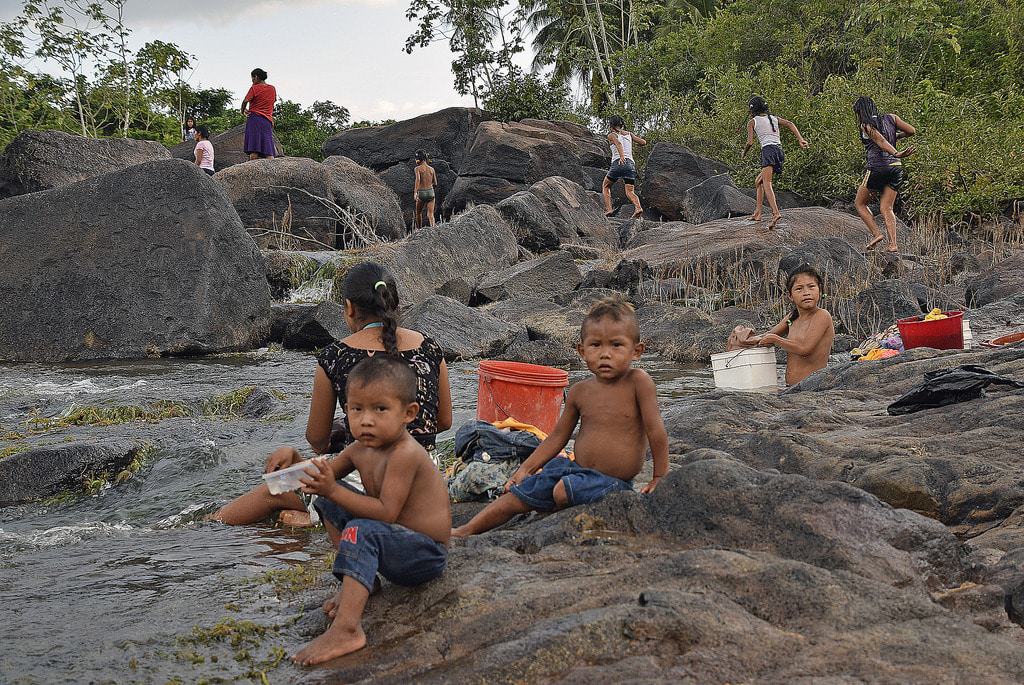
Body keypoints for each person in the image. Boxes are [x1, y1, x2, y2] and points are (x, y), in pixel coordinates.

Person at [211, 262, 453, 526]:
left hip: (368, 475)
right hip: (427, 471)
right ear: (392, 302)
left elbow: (317, 439)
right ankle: (313, 513)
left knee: (275, 488)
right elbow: (443, 422)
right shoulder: (430, 347)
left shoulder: (335, 356)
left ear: (349, 308)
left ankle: (207, 527)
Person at [452, 296, 669, 538]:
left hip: (612, 483)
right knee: (516, 495)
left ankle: (554, 506)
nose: (605, 354)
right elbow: (556, 438)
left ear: (636, 351)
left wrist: (659, 476)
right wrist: (525, 470)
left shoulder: (638, 382)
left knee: (561, 491)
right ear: (581, 350)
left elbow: (656, 431)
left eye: (616, 345)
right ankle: (467, 529)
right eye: (596, 345)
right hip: (573, 469)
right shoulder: (580, 391)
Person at [291, 355, 451, 665]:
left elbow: (386, 513)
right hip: (392, 542)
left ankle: (348, 629)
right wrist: (292, 465)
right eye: (356, 409)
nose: (366, 420)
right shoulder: (358, 449)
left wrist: (332, 487)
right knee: (328, 502)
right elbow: (320, 476)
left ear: (409, 413)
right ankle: (364, 581)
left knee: (360, 529)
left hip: (424, 554)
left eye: (380, 409)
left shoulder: (404, 453)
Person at [852, 96, 916, 253]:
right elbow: (911, 131)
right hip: (896, 168)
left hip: (877, 167)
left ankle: (877, 234)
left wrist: (896, 152)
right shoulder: (892, 118)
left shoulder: (866, 125)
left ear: (861, 111)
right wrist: (895, 138)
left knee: (860, 204)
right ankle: (893, 244)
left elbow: (880, 141)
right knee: (887, 207)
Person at [755, 265, 835, 385]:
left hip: (812, 388)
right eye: (799, 289)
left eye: (811, 287)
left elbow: (804, 349)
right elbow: (768, 336)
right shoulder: (792, 318)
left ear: (820, 290)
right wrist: (748, 339)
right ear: (790, 296)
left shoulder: (822, 316)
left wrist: (775, 339)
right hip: (790, 388)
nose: (806, 293)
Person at [741, 96, 809, 229]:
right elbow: (790, 123)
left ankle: (775, 213)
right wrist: (800, 139)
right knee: (758, 181)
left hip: (768, 151)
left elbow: (750, 142)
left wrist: (744, 153)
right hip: (778, 151)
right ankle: (758, 213)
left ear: (752, 110)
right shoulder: (773, 118)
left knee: (767, 183)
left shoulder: (752, 122)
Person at [602, 116, 647, 219]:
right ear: (621, 125)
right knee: (630, 192)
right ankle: (638, 207)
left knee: (606, 186)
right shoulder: (629, 134)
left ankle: (609, 209)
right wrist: (635, 142)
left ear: (611, 126)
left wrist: (622, 156)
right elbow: (643, 142)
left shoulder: (611, 135)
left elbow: (618, 143)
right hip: (630, 164)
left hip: (618, 163)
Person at [241, 67, 277, 161]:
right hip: (267, 121)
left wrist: (243, 110)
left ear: (256, 77)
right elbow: (272, 102)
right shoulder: (272, 89)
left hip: (255, 119)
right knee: (268, 151)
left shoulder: (254, 88)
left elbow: (245, 101)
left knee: (254, 149)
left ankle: (253, 173)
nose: (252, 80)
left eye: (252, 78)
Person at [413, 150, 437, 229]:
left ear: (418, 160)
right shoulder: (432, 169)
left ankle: (419, 230)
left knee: (418, 213)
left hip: (421, 193)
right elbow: (435, 183)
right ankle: (433, 229)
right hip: (431, 192)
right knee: (430, 214)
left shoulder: (417, 169)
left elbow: (418, 180)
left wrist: (415, 192)